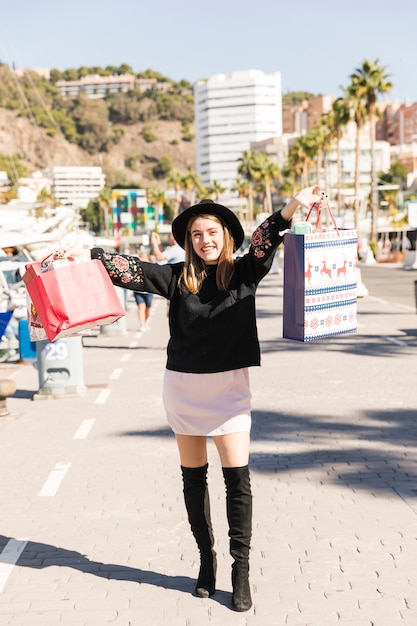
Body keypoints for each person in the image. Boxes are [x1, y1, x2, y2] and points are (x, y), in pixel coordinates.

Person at [83, 186, 323, 612]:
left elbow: (269, 235)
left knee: (238, 483)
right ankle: (206, 562)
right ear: (189, 241)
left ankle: (240, 571)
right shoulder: (177, 278)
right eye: (196, 234)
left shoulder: (246, 271)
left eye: (211, 232)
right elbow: (129, 271)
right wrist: (86, 254)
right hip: (183, 391)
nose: (205, 240)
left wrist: (294, 204)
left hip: (229, 392)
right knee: (194, 481)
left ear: (226, 235)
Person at [133, 252, 154, 331]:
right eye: (140, 257)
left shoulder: (151, 268)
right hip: (138, 292)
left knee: (148, 308)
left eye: (144, 257)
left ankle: (146, 322)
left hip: (148, 291)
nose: (142, 259)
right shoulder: (136, 268)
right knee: (141, 307)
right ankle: (142, 324)